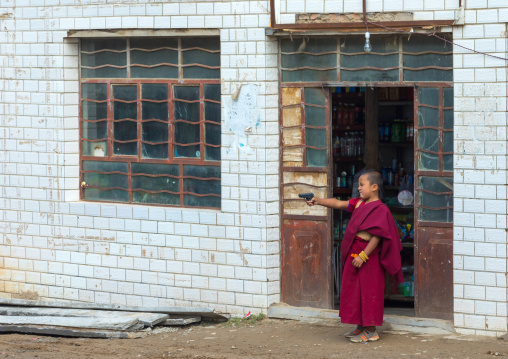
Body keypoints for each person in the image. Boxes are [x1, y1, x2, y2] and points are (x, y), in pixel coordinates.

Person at [305, 170, 403, 343]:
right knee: (354, 291)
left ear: (374, 187)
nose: (358, 188)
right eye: (358, 185)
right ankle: (360, 327)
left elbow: (378, 236)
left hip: (369, 256)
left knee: (369, 291)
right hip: (354, 251)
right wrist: (318, 201)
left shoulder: (381, 209)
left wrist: (363, 256)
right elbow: (338, 204)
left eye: (362, 184)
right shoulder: (358, 203)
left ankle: (371, 330)